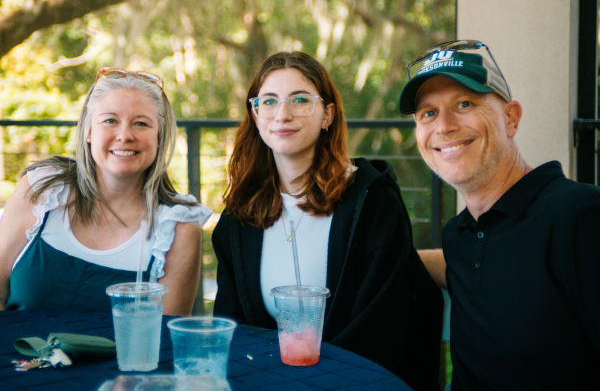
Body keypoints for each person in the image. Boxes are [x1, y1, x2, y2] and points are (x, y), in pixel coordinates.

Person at [212, 51, 443, 390]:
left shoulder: (373, 200)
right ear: (255, 114)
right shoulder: (240, 215)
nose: (283, 114)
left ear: (327, 115)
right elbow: (233, 327)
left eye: (300, 100)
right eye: (269, 101)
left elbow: (385, 325)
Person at [398, 39, 600, 390]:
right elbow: (480, 263)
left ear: (511, 117)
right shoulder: (460, 235)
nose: (443, 126)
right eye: (428, 113)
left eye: (464, 103)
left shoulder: (581, 215)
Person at [0, 68, 211, 315]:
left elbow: (164, 339)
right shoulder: (41, 190)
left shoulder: (177, 226)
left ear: (159, 138)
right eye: (110, 121)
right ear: (88, 131)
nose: (124, 135)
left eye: (141, 123)